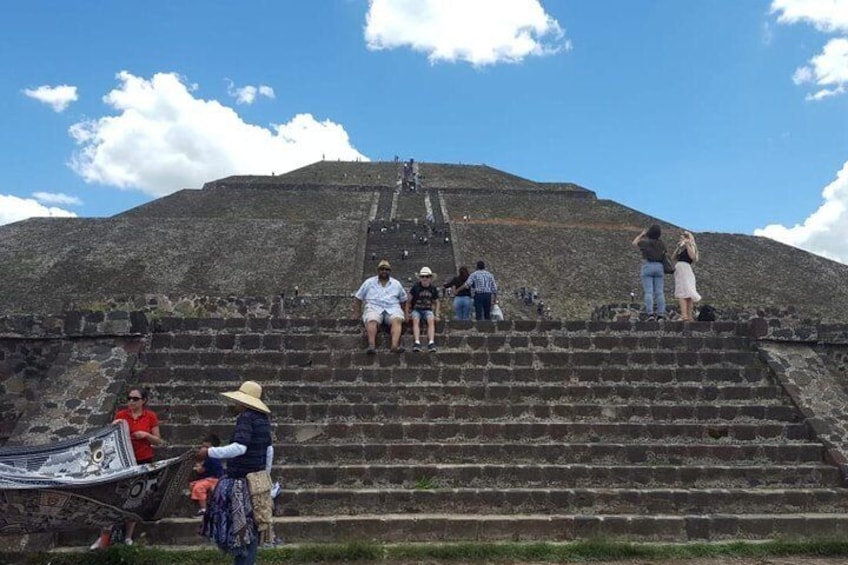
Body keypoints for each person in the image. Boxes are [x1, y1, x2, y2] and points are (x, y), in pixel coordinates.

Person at [200, 381, 274, 565]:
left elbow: (240, 448)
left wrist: (209, 452)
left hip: (240, 481)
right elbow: (269, 450)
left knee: (240, 530)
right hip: (256, 480)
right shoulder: (263, 421)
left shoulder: (246, 418)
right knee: (252, 527)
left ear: (243, 402)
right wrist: (265, 475)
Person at [90, 387, 164, 550]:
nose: (131, 401)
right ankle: (103, 537)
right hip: (123, 460)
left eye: (135, 399)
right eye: (129, 398)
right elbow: (109, 439)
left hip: (142, 460)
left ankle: (128, 536)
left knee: (135, 498)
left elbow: (159, 441)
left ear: (143, 401)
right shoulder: (121, 415)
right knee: (114, 498)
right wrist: (113, 426)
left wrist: (146, 435)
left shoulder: (150, 416)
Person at [353, 259, 408, 354]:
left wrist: (405, 313)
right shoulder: (369, 282)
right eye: (382, 269)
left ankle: (394, 345)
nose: (384, 271)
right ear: (378, 271)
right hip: (374, 307)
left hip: (392, 308)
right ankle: (371, 345)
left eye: (386, 269)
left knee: (397, 319)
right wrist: (357, 312)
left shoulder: (396, 284)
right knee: (372, 319)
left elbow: (404, 300)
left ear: (389, 271)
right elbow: (358, 297)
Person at [632, 224, 668, 320]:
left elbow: (634, 243)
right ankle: (660, 315)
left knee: (649, 292)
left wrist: (642, 235)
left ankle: (650, 314)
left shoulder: (645, 242)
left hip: (648, 266)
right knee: (659, 292)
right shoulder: (662, 244)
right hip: (659, 267)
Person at [405, 266, 440, 352]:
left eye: (427, 276)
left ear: (430, 278)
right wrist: (406, 314)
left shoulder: (433, 288)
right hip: (416, 309)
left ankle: (431, 342)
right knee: (416, 320)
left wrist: (437, 314)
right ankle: (417, 342)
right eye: (423, 276)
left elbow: (437, 302)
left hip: (428, 310)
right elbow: (408, 301)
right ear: (420, 278)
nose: (425, 278)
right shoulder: (415, 287)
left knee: (431, 320)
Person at [190, 433, 224, 515]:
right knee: (192, 485)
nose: (203, 449)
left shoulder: (211, 458)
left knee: (198, 487)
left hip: (214, 479)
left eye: (206, 447)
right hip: (209, 479)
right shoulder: (211, 457)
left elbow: (201, 471)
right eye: (203, 447)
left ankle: (203, 508)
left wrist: (197, 468)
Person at [673, 231, 701, 321]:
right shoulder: (682, 248)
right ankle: (687, 315)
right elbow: (673, 257)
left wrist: (688, 243)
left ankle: (685, 315)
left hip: (684, 268)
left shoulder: (691, 246)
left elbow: (692, 256)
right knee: (686, 292)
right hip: (681, 268)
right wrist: (678, 247)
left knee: (683, 291)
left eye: (683, 237)